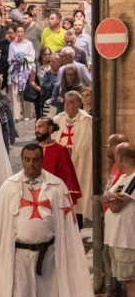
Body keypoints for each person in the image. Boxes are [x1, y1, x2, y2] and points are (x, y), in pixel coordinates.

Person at [0, 145, 99, 297]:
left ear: (42, 160)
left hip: (47, 252)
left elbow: (66, 224)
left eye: (36, 159)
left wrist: (65, 253)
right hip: (20, 254)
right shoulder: (9, 187)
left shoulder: (56, 186)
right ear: (22, 160)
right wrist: (1, 253)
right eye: (27, 159)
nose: (31, 164)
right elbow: (0, 224)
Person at [103, 142, 135, 297]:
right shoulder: (123, 177)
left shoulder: (133, 179)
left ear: (121, 157)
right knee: (128, 284)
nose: (114, 159)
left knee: (132, 285)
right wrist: (108, 196)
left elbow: (115, 206)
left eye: (115, 155)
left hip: (128, 240)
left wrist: (108, 196)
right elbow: (104, 198)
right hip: (118, 239)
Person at [53, 91, 93, 228]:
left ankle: (78, 222)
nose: (67, 105)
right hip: (62, 164)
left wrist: (74, 151)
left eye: (70, 102)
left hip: (80, 163)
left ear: (78, 104)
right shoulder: (57, 119)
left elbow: (88, 144)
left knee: (80, 188)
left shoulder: (87, 120)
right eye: (65, 102)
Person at [35, 118, 81, 204]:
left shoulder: (61, 149)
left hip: (55, 196)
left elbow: (67, 174)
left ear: (50, 129)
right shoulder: (34, 149)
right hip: (37, 193)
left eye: (40, 127)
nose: (37, 130)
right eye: (36, 127)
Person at [8, 24, 36, 121]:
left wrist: (24, 58)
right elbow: (9, 58)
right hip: (15, 71)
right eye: (18, 32)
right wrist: (14, 59)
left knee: (25, 92)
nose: (20, 34)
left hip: (25, 70)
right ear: (16, 33)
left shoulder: (29, 44)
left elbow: (32, 56)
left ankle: (27, 114)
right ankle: (16, 115)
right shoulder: (12, 45)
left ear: (24, 32)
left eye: (21, 32)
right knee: (15, 93)